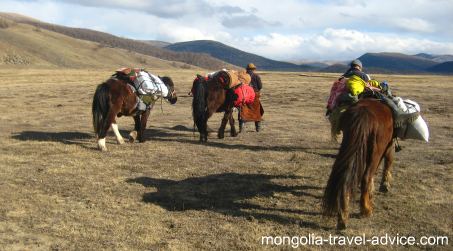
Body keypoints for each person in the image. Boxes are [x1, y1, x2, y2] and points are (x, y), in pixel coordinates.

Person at [341, 59, 418, 127]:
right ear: (359, 67)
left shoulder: (344, 75)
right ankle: (398, 114)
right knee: (382, 97)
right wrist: (379, 90)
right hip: (361, 95)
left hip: (346, 98)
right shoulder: (362, 75)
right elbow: (367, 86)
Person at [239, 63, 264, 132]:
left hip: (244, 95)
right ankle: (258, 128)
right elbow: (260, 86)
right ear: (253, 69)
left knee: (243, 111)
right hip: (255, 95)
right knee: (257, 111)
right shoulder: (256, 76)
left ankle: (242, 128)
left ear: (247, 69)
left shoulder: (243, 76)